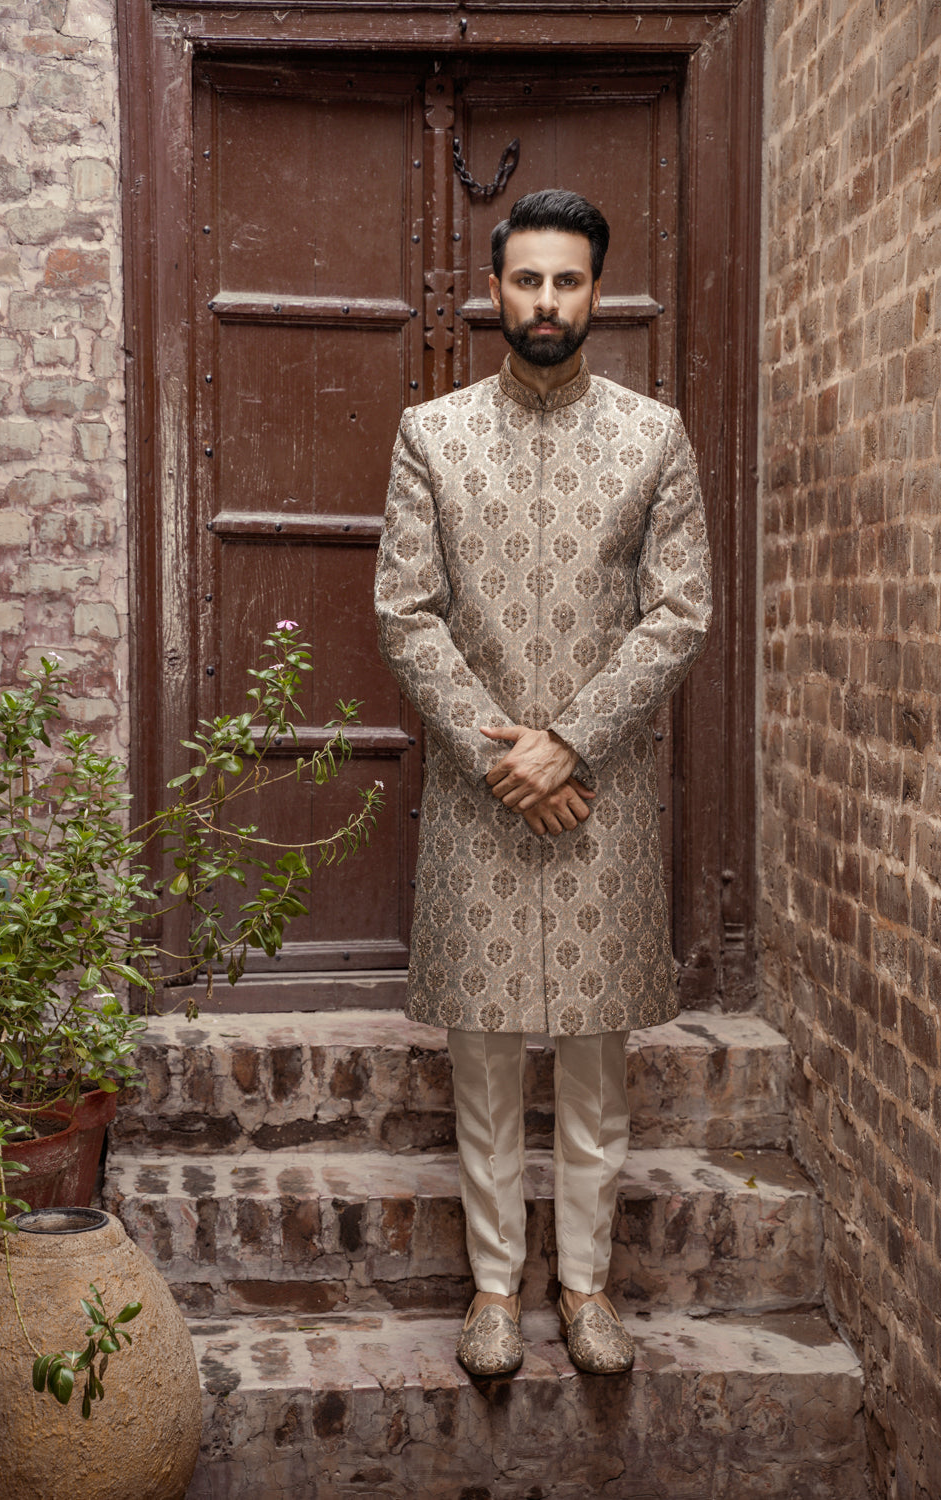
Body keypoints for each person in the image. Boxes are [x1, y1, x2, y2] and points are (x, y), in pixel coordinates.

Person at [374, 189, 712, 1377]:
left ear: (597, 292)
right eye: (527, 280)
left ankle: (582, 1289)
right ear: (495, 288)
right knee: (480, 1058)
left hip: (599, 795)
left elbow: (679, 613)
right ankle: (488, 1291)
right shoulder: (432, 433)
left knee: (591, 1063)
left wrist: (567, 743)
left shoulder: (651, 435)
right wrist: (504, 754)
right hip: (482, 796)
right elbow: (404, 614)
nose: (546, 302)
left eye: (567, 281)